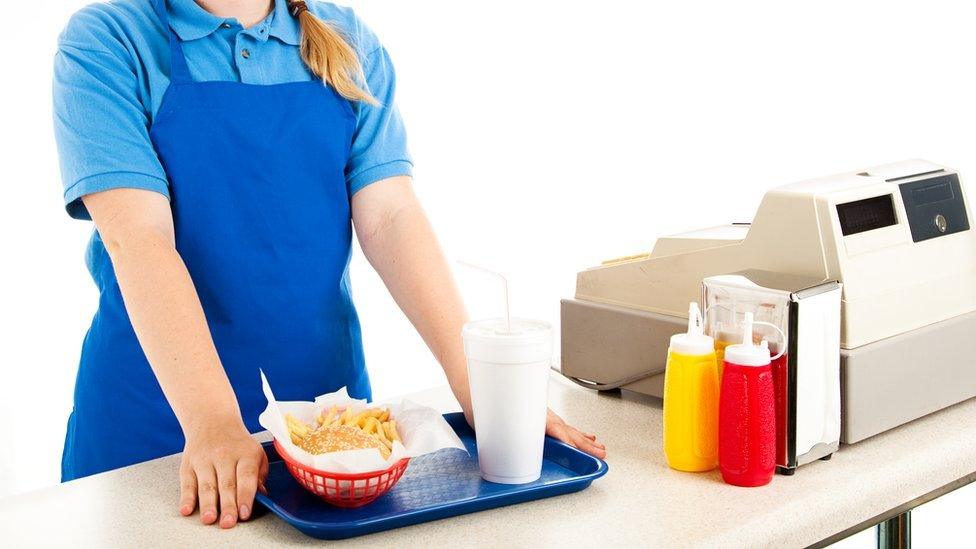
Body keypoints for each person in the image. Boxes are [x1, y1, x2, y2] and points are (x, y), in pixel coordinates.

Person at [53, 0, 605, 529]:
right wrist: (214, 423)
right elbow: (140, 238)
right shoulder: (111, 39)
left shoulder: (349, 40)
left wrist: (479, 389)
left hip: (331, 436)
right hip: (155, 430)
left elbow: (390, 217)